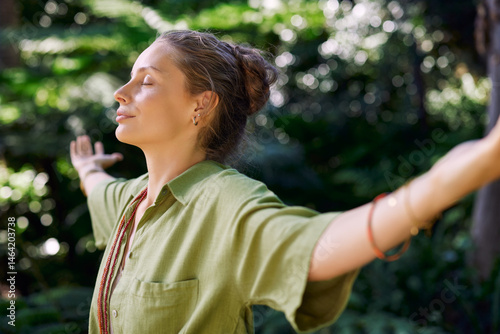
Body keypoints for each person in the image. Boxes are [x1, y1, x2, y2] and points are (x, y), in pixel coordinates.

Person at [70, 30, 500, 334]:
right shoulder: (131, 199)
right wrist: (88, 167)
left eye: (146, 81)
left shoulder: (224, 201)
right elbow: (97, 188)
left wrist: (452, 178)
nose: (120, 92)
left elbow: (314, 247)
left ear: (199, 106)